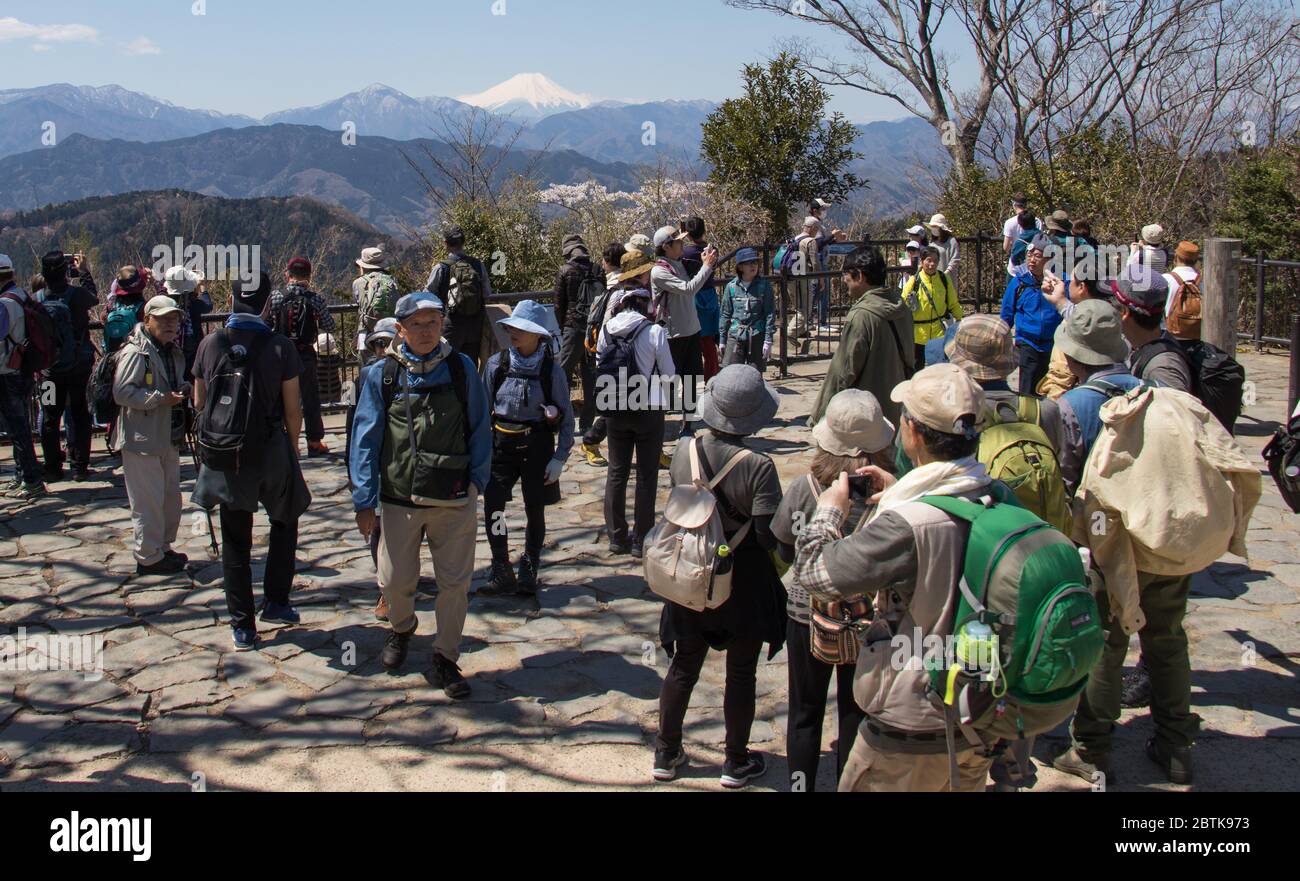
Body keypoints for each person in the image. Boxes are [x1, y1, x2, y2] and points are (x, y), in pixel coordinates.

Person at [794, 363, 1002, 792]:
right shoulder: (997, 494)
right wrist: (901, 486)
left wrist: (832, 507)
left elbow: (814, 571)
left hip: (917, 712)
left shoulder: (908, 523)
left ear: (914, 433)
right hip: (980, 702)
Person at [350, 293, 491, 697]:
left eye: (434, 321)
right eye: (418, 323)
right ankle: (402, 627)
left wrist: (477, 483)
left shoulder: (462, 369)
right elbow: (365, 438)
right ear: (400, 329)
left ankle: (445, 658)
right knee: (394, 581)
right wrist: (364, 499)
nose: (427, 330)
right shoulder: (383, 375)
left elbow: (480, 427)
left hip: (454, 497)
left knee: (455, 585)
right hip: (398, 498)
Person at [654, 364, 786, 789]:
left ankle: (666, 750)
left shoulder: (683, 450)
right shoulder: (760, 466)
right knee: (741, 671)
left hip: (690, 570)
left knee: (683, 664)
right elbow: (767, 534)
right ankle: (735, 760)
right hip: (741, 576)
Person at [773, 388, 892, 791]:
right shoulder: (890, 495)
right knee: (856, 709)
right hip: (868, 619)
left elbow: (784, 546)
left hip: (807, 613)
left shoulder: (806, 487)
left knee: (804, 712)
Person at [192, 303, 312, 651]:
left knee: (235, 536)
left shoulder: (210, 343)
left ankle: (242, 625)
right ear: (264, 303)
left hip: (228, 452)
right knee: (285, 520)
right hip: (272, 447)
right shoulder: (280, 346)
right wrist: (292, 449)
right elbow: (293, 408)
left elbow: (200, 402)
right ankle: (276, 600)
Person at [479, 300, 574, 597]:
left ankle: (529, 569)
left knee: (535, 510)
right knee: (494, 507)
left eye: (520, 329)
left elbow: (567, 417)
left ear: (537, 336)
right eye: (511, 328)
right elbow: (482, 413)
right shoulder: (497, 364)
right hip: (501, 444)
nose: (512, 333)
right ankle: (501, 567)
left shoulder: (551, 371)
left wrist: (560, 457)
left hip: (537, 445)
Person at [597, 252, 676, 556]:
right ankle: (641, 539)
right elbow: (669, 375)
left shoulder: (606, 331)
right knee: (646, 473)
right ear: (644, 304)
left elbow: (600, 365)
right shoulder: (654, 331)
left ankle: (616, 536)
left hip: (614, 407)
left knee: (616, 471)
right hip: (647, 408)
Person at [113, 296, 190, 576]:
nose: (171, 324)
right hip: (142, 437)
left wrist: (181, 389)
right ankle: (148, 556)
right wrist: (160, 399)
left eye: (174, 318)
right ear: (147, 320)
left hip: (166, 434)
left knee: (169, 497)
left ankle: (162, 548)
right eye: (163, 319)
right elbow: (122, 392)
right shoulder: (137, 353)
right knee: (148, 501)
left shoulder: (169, 350)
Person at [809, 246, 913, 427]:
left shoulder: (862, 315)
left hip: (865, 414)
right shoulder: (901, 308)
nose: (844, 281)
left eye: (846, 275)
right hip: (897, 410)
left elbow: (842, 371)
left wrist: (820, 416)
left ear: (860, 276)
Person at [1049, 299, 1142, 498]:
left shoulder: (1069, 406)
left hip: (1095, 515)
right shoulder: (1148, 390)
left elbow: (1064, 480)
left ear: (1072, 356)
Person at [651, 225, 717, 452]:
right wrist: (707, 267)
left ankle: (687, 424)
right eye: (678, 242)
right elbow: (689, 288)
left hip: (690, 330)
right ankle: (655, 426)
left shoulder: (678, 264)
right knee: (666, 384)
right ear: (666, 246)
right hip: (672, 335)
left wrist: (703, 264)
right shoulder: (659, 271)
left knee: (690, 381)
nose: (682, 245)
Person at [38, 250, 98, 483]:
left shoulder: (36, 299)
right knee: (80, 414)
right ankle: (79, 466)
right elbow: (93, 297)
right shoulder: (77, 295)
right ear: (65, 271)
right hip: (78, 369)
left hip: (48, 372)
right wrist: (83, 272)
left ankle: (52, 466)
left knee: (50, 416)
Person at [267, 257, 336, 457]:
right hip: (305, 354)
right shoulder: (315, 299)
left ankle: (283, 441)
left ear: (287, 274)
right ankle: (314, 442)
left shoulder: (276, 296)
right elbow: (330, 326)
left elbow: (267, 326)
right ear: (309, 275)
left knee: (279, 397)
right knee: (310, 398)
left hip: (280, 354)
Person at [0, 255, 45, 499]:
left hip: (7, 370)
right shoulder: (20, 294)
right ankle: (23, 476)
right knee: (21, 427)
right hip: (23, 367)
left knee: (18, 430)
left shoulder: (4, 303)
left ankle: (30, 479)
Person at [554, 234, 603, 458]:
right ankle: (587, 423)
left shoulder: (565, 271)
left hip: (572, 328)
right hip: (594, 329)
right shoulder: (597, 269)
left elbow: (558, 304)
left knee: (560, 374)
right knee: (591, 376)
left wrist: (565, 326)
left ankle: (560, 421)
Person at [1114, 267, 1193, 393]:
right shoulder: (1135, 344)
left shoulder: (1163, 369)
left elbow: (1177, 411)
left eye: (1112, 301)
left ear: (1124, 312)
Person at [1000, 233, 1061, 394]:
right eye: (1029, 255)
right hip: (1027, 342)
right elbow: (1007, 314)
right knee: (1027, 391)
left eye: (1037, 256)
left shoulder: (1060, 282)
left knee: (1049, 390)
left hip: (1053, 344)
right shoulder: (1019, 282)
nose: (1032, 260)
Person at [425, 226, 494, 369]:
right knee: (470, 365)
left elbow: (427, 296)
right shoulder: (477, 264)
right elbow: (487, 294)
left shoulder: (441, 267)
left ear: (445, 243)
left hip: (451, 323)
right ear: (463, 242)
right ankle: (470, 390)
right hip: (475, 323)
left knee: (447, 364)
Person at [902, 245, 963, 367]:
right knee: (917, 368)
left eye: (935, 261)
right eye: (928, 260)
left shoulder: (943, 279)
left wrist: (959, 319)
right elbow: (903, 302)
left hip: (938, 332)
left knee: (939, 367)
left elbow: (952, 302)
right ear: (922, 261)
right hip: (917, 334)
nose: (932, 264)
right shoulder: (914, 280)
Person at [719, 248, 775, 371]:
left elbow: (770, 313)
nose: (753, 266)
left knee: (754, 375)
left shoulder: (764, 286)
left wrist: (768, 340)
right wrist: (722, 340)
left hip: (756, 335)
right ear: (740, 267)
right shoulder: (731, 287)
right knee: (731, 373)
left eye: (755, 262)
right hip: (735, 334)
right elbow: (725, 314)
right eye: (748, 263)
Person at [680, 217, 721, 381]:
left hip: (693, 296)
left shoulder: (685, 253)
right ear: (704, 230)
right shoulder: (712, 251)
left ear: (687, 233)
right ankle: (711, 377)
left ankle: (693, 378)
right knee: (709, 340)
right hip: (710, 295)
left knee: (695, 340)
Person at [164, 265, 212, 380]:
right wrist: (202, 288)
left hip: (170, 353)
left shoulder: (166, 304)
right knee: (192, 384)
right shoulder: (194, 305)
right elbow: (208, 305)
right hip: (193, 354)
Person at [353, 246, 400, 354]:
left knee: (366, 364)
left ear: (363, 267)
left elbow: (358, 302)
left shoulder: (358, 282)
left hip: (366, 329)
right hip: (390, 329)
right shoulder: (392, 279)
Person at [788, 217, 823, 350]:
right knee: (805, 307)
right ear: (813, 228)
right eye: (817, 229)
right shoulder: (810, 241)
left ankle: (800, 330)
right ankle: (791, 332)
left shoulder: (795, 239)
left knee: (799, 306)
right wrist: (820, 279)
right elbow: (815, 262)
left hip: (790, 278)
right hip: (802, 278)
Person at [1164, 241, 1202, 340]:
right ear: (1196, 261)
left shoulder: (1165, 279)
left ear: (1176, 257)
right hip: (1197, 333)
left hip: (1170, 333)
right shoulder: (1204, 281)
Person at [1002, 193, 1041, 273]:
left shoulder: (1009, 222)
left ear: (1014, 204)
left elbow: (1006, 247)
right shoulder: (1037, 221)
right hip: (1034, 264)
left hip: (1016, 267)